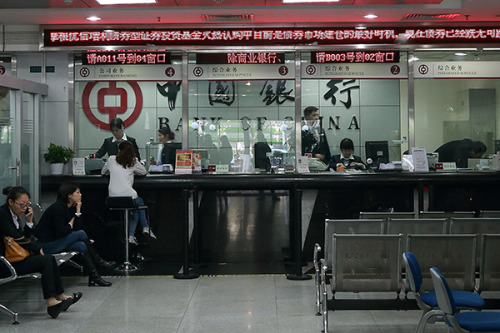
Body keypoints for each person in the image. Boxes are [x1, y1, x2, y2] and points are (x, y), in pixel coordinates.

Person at [0, 186, 81, 318]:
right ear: (10, 202)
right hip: (5, 263)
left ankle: (59, 297)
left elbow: (22, 237)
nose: (24, 208)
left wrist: (28, 222)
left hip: (15, 258)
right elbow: (17, 238)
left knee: (48, 259)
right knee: (46, 260)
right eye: (21, 204)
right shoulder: (2, 215)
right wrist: (38, 249)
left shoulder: (13, 215)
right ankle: (52, 301)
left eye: (27, 204)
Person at [33, 183, 114, 287]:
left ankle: (95, 277)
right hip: (45, 246)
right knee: (81, 234)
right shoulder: (58, 208)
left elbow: (76, 228)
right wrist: (71, 224)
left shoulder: (69, 207)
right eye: (77, 192)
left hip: (57, 241)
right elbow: (62, 231)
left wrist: (78, 211)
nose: (80, 195)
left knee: (81, 245)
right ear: (69, 195)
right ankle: (99, 262)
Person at [101, 140, 156, 245]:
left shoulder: (111, 159)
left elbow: (103, 172)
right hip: (129, 197)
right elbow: (143, 172)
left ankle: (131, 237)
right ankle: (144, 227)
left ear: (118, 150)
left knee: (135, 210)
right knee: (139, 202)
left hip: (112, 198)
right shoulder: (133, 161)